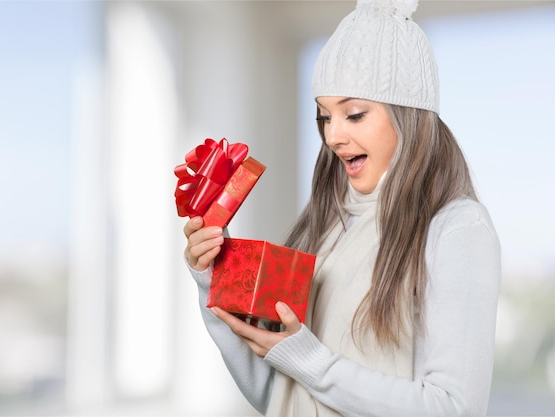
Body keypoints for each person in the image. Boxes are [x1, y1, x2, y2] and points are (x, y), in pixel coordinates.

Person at [182, 0, 501, 415]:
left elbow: (453, 408)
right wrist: (213, 279)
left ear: (409, 115)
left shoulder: (457, 230)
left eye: (353, 114)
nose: (332, 136)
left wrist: (311, 361)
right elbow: (276, 395)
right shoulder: (327, 227)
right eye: (323, 117)